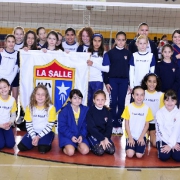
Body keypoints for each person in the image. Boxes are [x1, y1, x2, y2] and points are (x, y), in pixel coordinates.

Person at [104, 31, 132, 135]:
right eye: (118, 40)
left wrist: (130, 83)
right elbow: (105, 70)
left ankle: (119, 124)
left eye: (123, 40)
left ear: (125, 41)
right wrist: (106, 82)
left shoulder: (128, 54)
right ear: (115, 40)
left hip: (124, 81)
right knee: (113, 103)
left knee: (121, 103)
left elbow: (131, 70)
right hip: (113, 81)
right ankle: (112, 123)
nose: (120, 42)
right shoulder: (110, 53)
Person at [17, 85, 56, 153]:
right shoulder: (29, 107)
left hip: (47, 132)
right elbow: (28, 124)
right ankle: (35, 141)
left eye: (43, 94)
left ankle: (45, 140)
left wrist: (38, 137)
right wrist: (33, 136)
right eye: (38, 94)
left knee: (42, 149)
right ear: (34, 95)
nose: (40, 96)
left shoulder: (51, 108)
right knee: (21, 147)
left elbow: (49, 126)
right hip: (34, 131)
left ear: (46, 96)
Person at [122, 86, 154, 158]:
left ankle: (140, 146)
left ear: (144, 96)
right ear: (133, 96)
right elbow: (126, 124)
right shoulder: (128, 107)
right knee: (130, 155)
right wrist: (130, 137)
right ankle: (129, 147)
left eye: (142, 95)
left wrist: (141, 137)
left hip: (141, 136)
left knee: (139, 155)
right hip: (131, 135)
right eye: (137, 94)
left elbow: (147, 125)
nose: (139, 97)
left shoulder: (147, 108)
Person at [58, 89, 89, 156]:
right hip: (68, 136)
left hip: (80, 136)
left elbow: (87, 125)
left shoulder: (86, 110)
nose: (77, 100)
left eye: (79, 98)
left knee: (85, 151)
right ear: (70, 99)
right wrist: (71, 136)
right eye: (75, 98)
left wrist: (82, 135)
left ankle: (76, 146)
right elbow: (62, 127)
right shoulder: (64, 111)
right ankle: (67, 147)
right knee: (70, 152)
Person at [16, 30, 38, 128]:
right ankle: (22, 117)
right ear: (25, 39)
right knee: (24, 97)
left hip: (35, 80)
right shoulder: (21, 51)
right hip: (24, 81)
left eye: (32, 38)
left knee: (34, 98)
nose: (30, 40)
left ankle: (34, 118)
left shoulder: (38, 51)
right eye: (28, 38)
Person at [86, 90, 115, 156]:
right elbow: (91, 128)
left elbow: (109, 126)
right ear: (94, 100)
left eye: (102, 100)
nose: (100, 102)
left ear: (105, 100)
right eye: (98, 100)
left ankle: (103, 143)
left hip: (104, 135)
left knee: (111, 150)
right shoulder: (90, 112)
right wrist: (102, 139)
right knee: (100, 151)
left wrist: (106, 138)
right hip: (93, 135)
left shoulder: (107, 111)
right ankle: (91, 145)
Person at [156, 90, 180, 162]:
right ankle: (160, 149)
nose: (169, 103)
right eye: (167, 100)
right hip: (163, 138)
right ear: (163, 101)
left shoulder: (178, 113)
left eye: (172, 100)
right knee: (164, 157)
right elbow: (160, 130)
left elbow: (177, 130)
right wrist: (170, 144)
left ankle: (172, 150)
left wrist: (171, 144)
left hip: (176, 139)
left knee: (178, 157)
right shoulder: (159, 113)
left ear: (176, 101)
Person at [141, 73, 164, 147]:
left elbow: (163, 112)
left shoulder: (161, 95)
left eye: (154, 82)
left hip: (155, 123)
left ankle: (151, 135)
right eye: (150, 81)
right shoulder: (142, 93)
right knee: (142, 142)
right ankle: (146, 135)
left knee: (155, 144)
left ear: (157, 83)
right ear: (146, 82)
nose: (152, 84)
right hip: (144, 123)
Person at [0, 78, 17, 149]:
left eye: (5, 87)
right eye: (0, 88)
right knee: (1, 145)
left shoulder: (12, 100)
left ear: (9, 87)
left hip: (7, 126)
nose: (3, 89)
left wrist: (10, 123)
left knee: (10, 145)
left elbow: (13, 115)